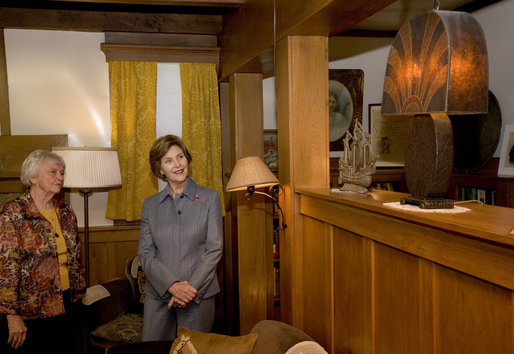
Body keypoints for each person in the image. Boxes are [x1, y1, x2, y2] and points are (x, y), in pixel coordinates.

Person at [138, 134, 223, 341]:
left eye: (180, 157)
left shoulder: (210, 198)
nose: (177, 164)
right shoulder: (150, 205)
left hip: (198, 296)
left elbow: (214, 249)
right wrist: (172, 286)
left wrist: (189, 290)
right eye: (168, 160)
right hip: (158, 296)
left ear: (187, 159)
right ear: (160, 169)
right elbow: (146, 253)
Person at [0, 150, 86, 353]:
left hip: (67, 302)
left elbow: (76, 257)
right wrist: (11, 315)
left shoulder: (65, 211)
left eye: (62, 172)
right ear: (33, 177)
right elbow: (5, 268)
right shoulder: (13, 212)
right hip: (31, 310)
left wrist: (80, 294)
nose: (60, 177)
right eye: (53, 172)